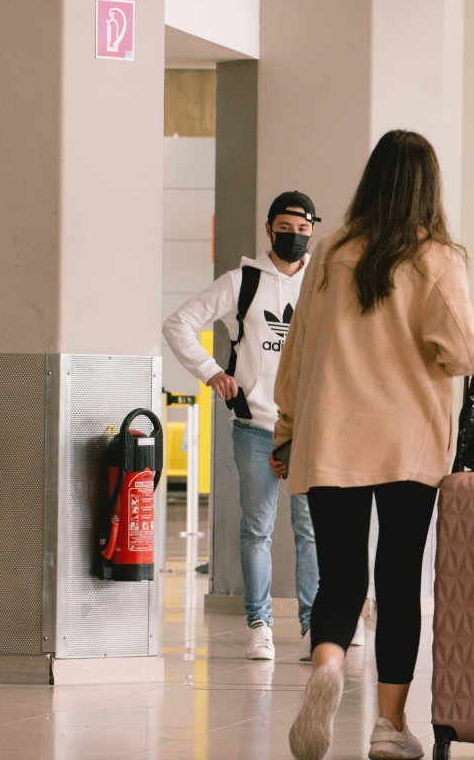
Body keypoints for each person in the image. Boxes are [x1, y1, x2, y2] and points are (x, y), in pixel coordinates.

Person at [273, 131, 474, 760]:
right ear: (429, 185)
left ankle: (330, 664)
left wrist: (287, 426)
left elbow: (299, 349)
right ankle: (389, 727)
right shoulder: (438, 256)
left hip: (332, 435)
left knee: (340, 576)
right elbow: (463, 354)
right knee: (398, 582)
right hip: (408, 443)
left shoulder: (332, 250)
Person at [162, 190, 321, 662]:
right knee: (257, 530)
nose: (294, 236)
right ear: (270, 228)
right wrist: (212, 372)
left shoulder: (322, 283)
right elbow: (179, 323)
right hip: (255, 427)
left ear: (314, 229)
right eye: (286, 227)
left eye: (303, 228)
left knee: (310, 530)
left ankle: (314, 626)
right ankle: (260, 624)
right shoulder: (242, 281)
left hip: (308, 429)